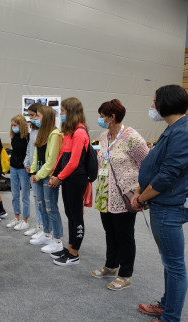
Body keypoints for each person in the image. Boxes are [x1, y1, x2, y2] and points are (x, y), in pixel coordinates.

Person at [133, 85, 188, 322]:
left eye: (154, 101)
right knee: (169, 261)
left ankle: (171, 317)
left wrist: (142, 197)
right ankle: (167, 306)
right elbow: (155, 165)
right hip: (161, 204)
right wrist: (140, 189)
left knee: (174, 265)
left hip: (167, 207)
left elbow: (168, 174)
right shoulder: (174, 128)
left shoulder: (182, 131)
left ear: (165, 103)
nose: (152, 106)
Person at [91, 99, 148, 291]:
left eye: (102, 116)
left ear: (112, 117)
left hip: (124, 195)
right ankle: (111, 266)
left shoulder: (132, 137)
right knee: (110, 233)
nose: (99, 119)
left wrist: (139, 190)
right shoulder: (104, 136)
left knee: (124, 235)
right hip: (104, 194)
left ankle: (125, 274)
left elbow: (147, 165)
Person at [48, 97, 89, 266]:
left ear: (71, 112)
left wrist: (59, 177)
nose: (60, 114)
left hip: (76, 179)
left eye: (63, 111)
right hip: (67, 179)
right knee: (70, 214)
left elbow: (74, 162)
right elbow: (63, 157)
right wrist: (54, 174)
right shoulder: (69, 132)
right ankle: (70, 247)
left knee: (76, 215)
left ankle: (75, 254)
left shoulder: (80, 133)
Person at [29, 106, 64, 254]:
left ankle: (57, 240)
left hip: (48, 175)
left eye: (38, 116)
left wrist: (39, 175)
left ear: (46, 117)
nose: (36, 119)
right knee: (41, 205)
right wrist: (33, 171)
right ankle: (46, 234)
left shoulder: (55, 134)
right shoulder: (41, 133)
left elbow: (51, 161)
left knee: (51, 207)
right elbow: (36, 154)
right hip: (38, 173)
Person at [6, 115, 31, 230]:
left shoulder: (27, 137)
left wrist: (27, 165)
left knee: (25, 195)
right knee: (14, 194)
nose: (13, 127)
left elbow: (28, 153)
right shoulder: (14, 136)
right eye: (12, 125)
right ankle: (16, 217)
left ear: (21, 125)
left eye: (15, 125)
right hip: (13, 167)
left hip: (23, 169)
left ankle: (25, 220)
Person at [24, 103, 44, 237]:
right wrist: (27, 162)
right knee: (36, 198)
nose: (31, 118)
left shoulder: (45, 131)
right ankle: (38, 225)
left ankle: (44, 228)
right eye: (30, 115)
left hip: (41, 169)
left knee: (42, 200)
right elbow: (30, 148)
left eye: (33, 115)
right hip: (32, 168)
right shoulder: (33, 130)